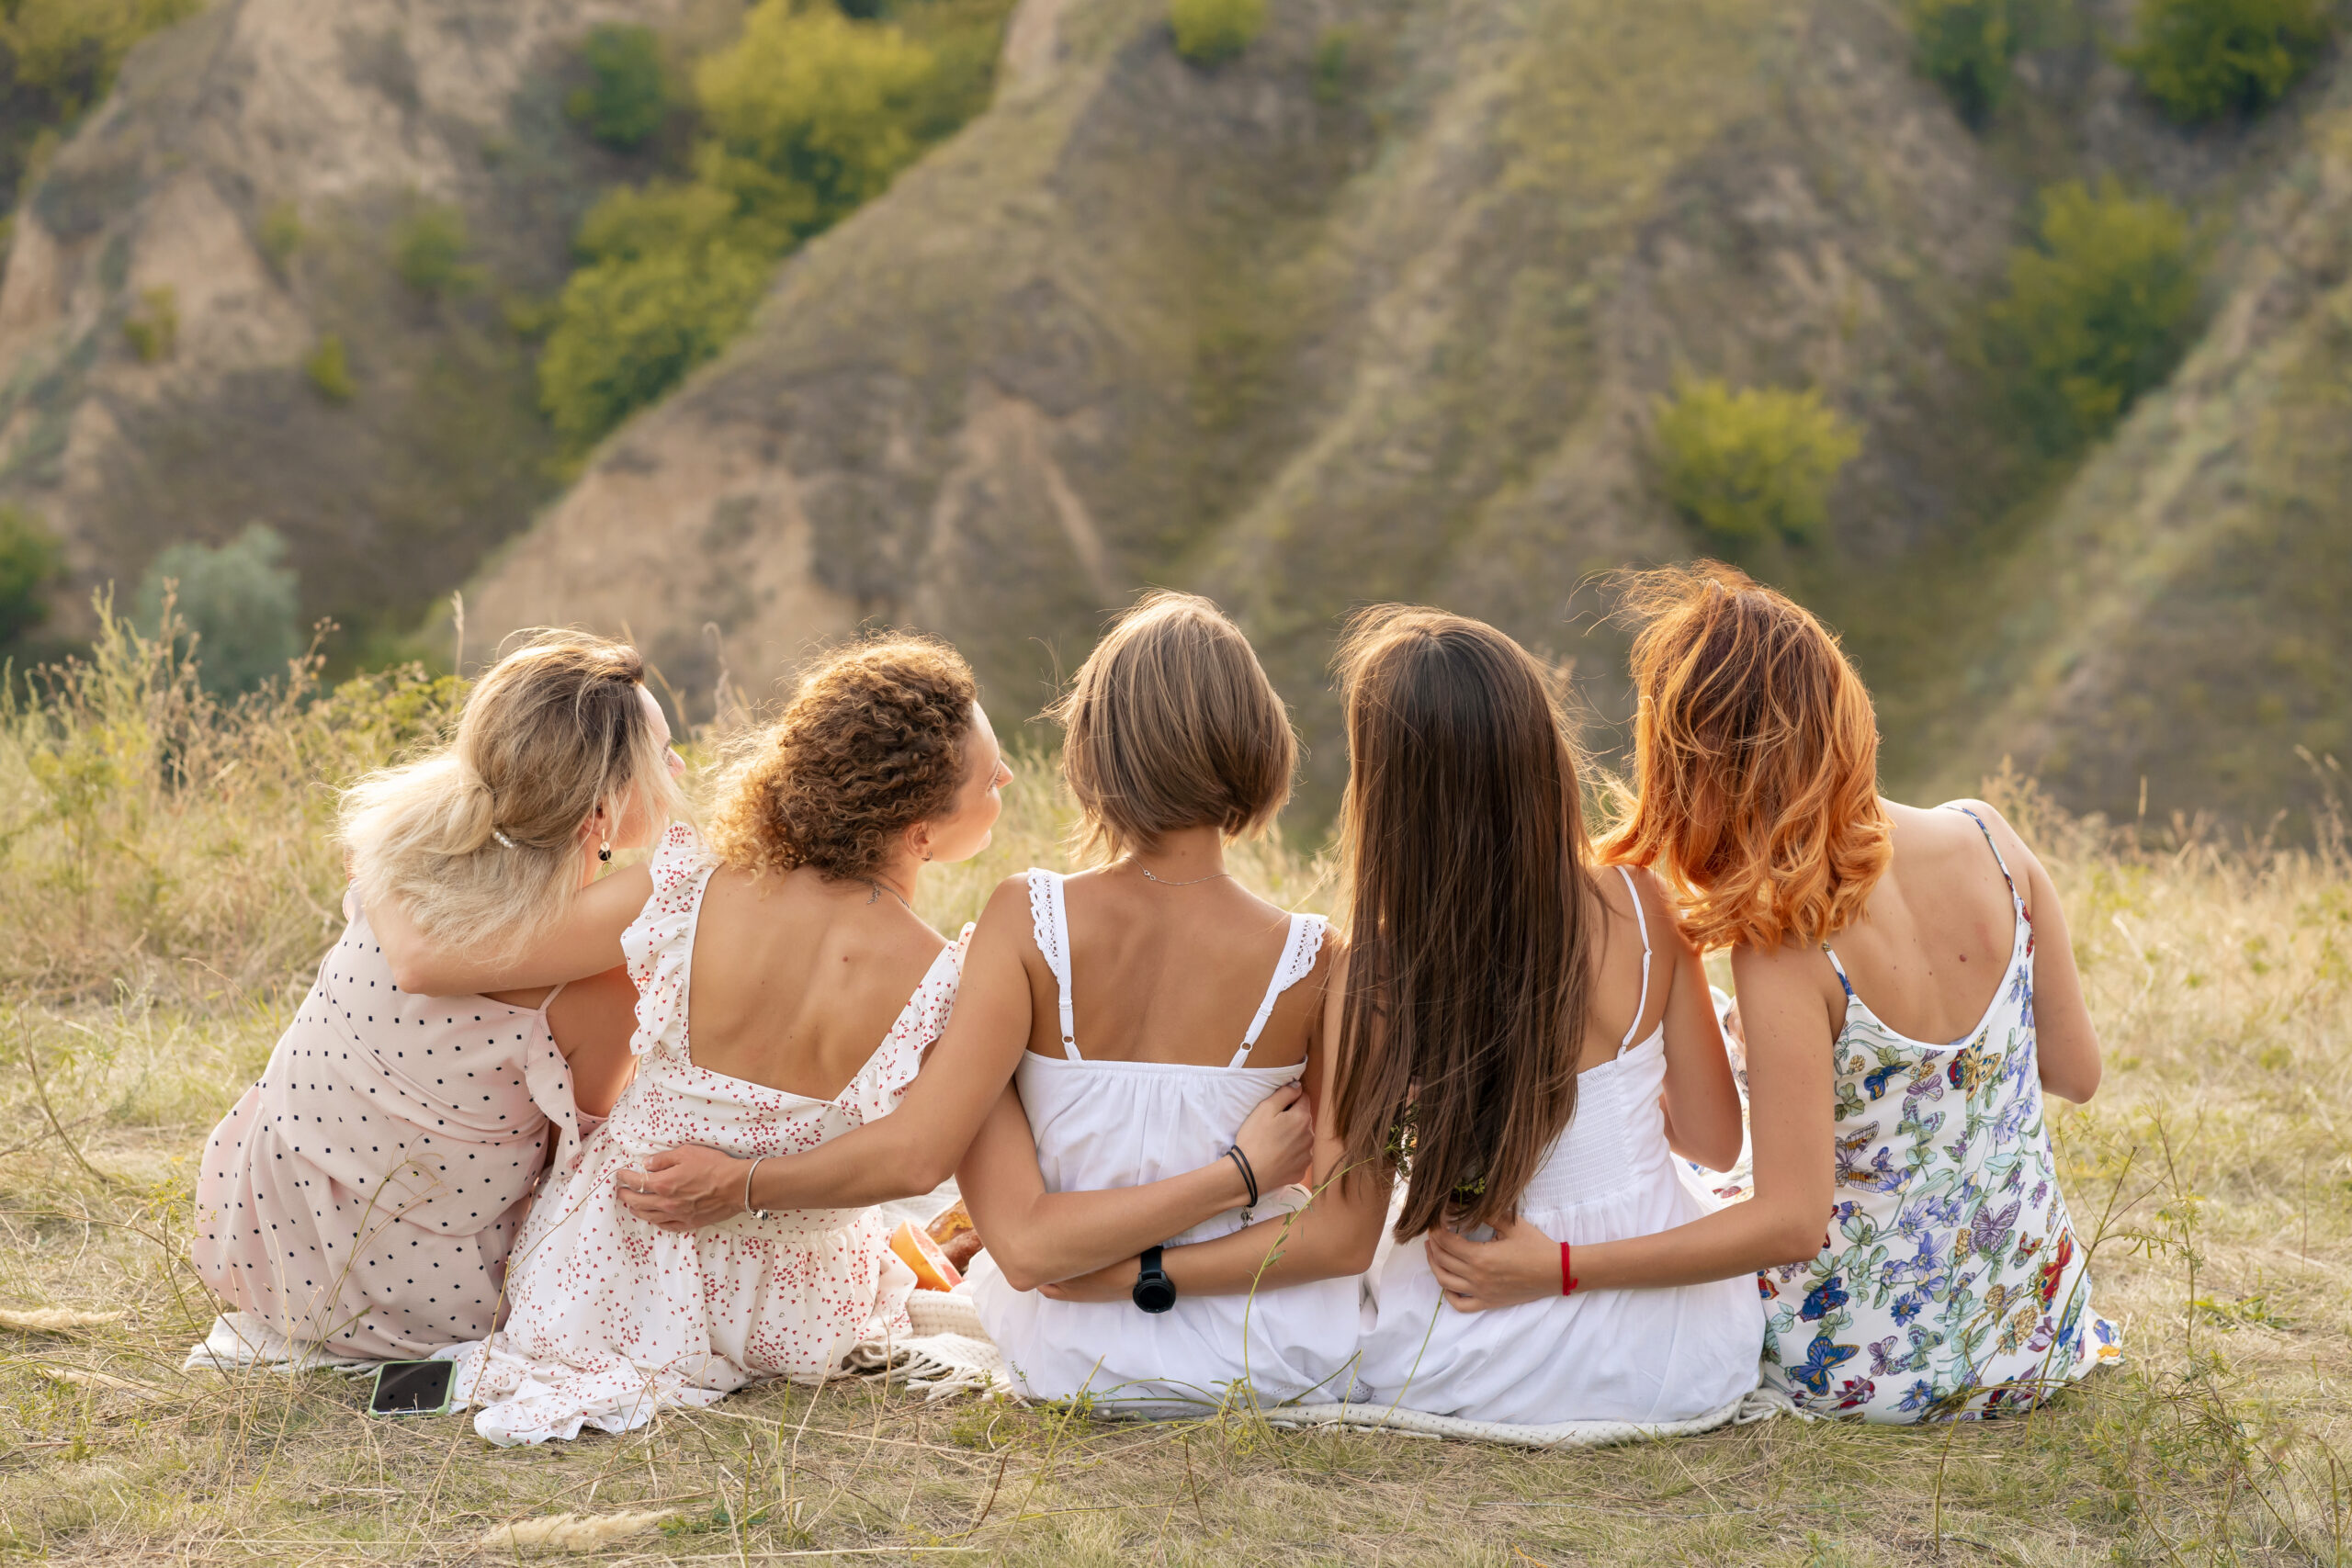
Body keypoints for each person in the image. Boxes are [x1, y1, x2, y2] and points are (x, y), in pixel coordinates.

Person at [1425, 565, 2119, 1421]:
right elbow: (2076, 1072)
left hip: (1872, 1365)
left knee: (1679, 1190)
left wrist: (1558, 1268)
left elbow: (1791, 1222)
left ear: (1700, 763)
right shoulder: (1991, 835)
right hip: (2036, 1326)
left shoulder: (1788, 941)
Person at [437, 637, 1011, 1443]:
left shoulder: (691, 883)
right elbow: (916, 1161)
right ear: (920, 834)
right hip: (796, 1308)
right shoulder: (945, 978)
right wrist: (746, 1185)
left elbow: (502, 949)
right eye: (991, 776)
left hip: (604, 1271)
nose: (1006, 777)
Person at [191, 632, 684, 1359]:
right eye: (663, 756)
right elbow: (575, 1167)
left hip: (264, 1238)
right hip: (414, 1300)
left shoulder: (411, 846)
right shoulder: (599, 984)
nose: (680, 770)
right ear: (601, 810)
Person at [1329, 607, 1760, 1425]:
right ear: (1542, 752)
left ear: (1384, 793)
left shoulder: (1373, 969)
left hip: (1466, 1352)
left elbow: (1355, 1196)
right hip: (1670, 1345)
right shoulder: (1643, 903)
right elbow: (1715, 1141)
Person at [952, 592, 1368, 1412]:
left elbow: (1027, 1249)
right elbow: (1345, 1233)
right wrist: (1240, 1175)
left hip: (1065, 1351)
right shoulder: (1317, 958)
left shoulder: (1024, 918)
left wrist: (1125, 1271)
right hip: (1266, 1351)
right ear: (1259, 742)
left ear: (1095, 747)